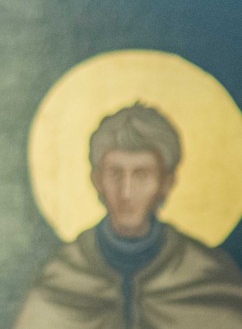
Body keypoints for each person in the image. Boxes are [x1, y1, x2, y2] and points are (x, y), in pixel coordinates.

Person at [15, 103, 242, 328]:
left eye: (141, 174)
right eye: (115, 173)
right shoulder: (61, 279)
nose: (127, 192)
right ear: (97, 180)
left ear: (166, 181)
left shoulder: (208, 278)